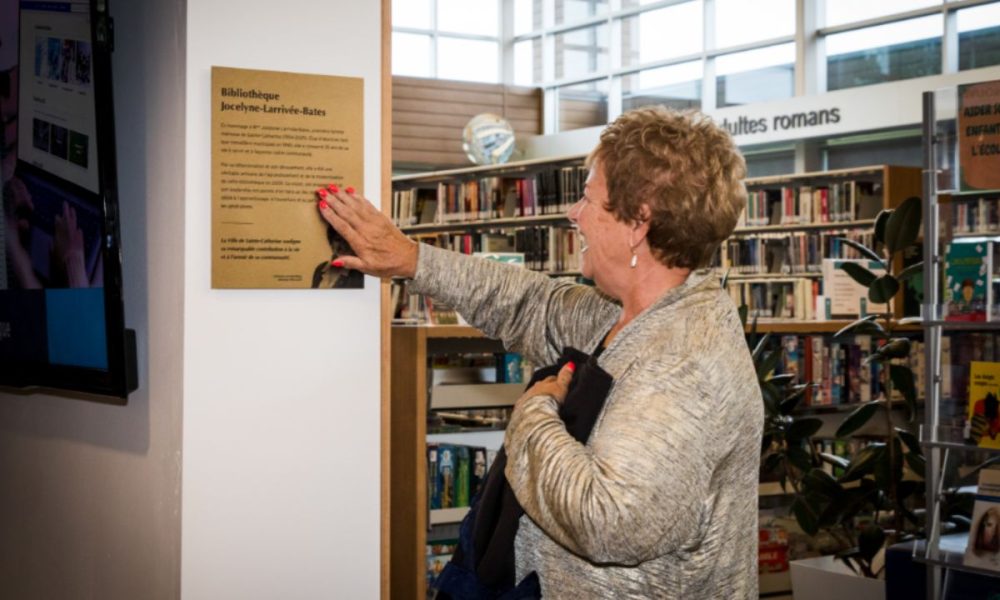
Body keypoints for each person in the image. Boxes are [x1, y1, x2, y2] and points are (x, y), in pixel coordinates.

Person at [318, 107, 763, 598]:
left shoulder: (684, 360)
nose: (573, 213)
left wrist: (534, 411)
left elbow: (607, 522)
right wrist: (411, 260)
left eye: (589, 198)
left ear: (638, 223)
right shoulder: (620, 314)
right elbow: (531, 302)